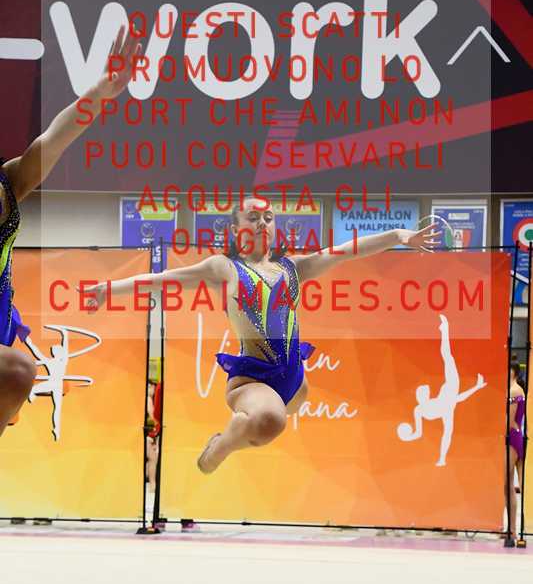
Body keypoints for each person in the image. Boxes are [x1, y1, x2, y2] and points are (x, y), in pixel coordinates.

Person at [85, 197, 440, 473]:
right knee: (269, 421)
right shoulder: (224, 268)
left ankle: (244, 430)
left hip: (294, 380)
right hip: (253, 378)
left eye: (268, 217)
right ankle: (218, 449)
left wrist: (399, 235)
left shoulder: (294, 267)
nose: (262, 223)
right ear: (235, 228)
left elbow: (346, 252)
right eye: (252, 217)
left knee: (268, 424)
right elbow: (162, 280)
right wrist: (108, 288)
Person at [0, 25, 140, 439]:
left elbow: (55, 139)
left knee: (15, 373)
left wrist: (100, 92)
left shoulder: (11, 181)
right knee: (18, 369)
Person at [397, 314, 487, 466]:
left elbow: (417, 433)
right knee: (447, 356)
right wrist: (476, 387)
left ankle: (445, 329)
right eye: (423, 392)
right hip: (451, 386)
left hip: (448, 391)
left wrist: (407, 436)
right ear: (421, 397)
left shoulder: (421, 409)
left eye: (424, 391)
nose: (425, 391)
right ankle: (445, 329)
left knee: (447, 356)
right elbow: (459, 398)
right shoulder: (426, 408)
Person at [505, 358, 526, 540]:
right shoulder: (516, 390)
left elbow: (510, 421)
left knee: (508, 483)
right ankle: (512, 529)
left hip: (512, 436)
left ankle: (512, 530)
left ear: (514, 372)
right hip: (516, 435)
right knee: (509, 484)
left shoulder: (513, 390)